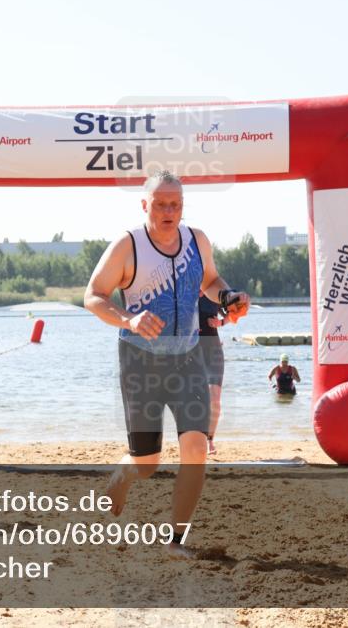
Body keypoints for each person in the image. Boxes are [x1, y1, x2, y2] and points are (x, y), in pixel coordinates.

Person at [83, 170, 250, 558]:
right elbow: (93, 296)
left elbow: (210, 280)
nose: (169, 211)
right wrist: (129, 318)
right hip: (140, 361)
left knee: (196, 447)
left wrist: (227, 297)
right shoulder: (128, 246)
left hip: (188, 358)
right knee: (147, 463)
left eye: (175, 204)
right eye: (160, 204)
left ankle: (175, 540)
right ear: (145, 205)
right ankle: (124, 475)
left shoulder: (197, 240)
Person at [198, 293, 230, 454]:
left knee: (215, 400)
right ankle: (194, 438)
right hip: (191, 352)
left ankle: (209, 439)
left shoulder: (214, 294)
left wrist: (221, 322)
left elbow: (233, 312)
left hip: (213, 352)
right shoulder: (185, 293)